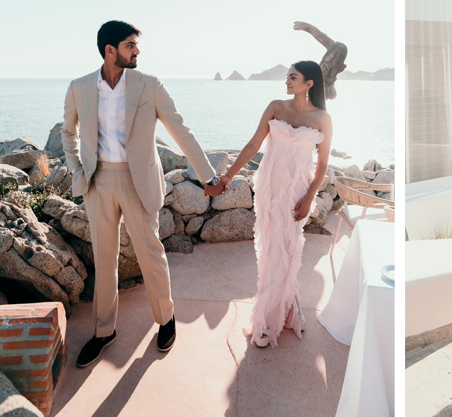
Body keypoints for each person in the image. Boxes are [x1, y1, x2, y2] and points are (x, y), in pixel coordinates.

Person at [61, 21, 221, 368]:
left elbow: (181, 130)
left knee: (151, 254)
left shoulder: (149, 85)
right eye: (131, 45)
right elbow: (67, 132)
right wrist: (77, 171)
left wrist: (208, 175)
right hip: (98, 182)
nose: (137, 51)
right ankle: (104, 332)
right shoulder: (79, 88)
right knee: (104, 259)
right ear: (110, 51)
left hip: (139, 183)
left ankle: (165, 319)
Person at [208, 61, 332, 348]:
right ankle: (266, 322)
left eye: (293, 77)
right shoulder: (276, 106)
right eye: (287, 77)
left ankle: (285, 310)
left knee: (287, 248)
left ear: (309, 83)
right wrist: (228, 176)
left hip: (297, 191)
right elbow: (253, 144)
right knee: (273, 248)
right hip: (269, 187)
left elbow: (323, 163)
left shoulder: (323, 118)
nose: (286, 82)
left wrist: (310, 196)